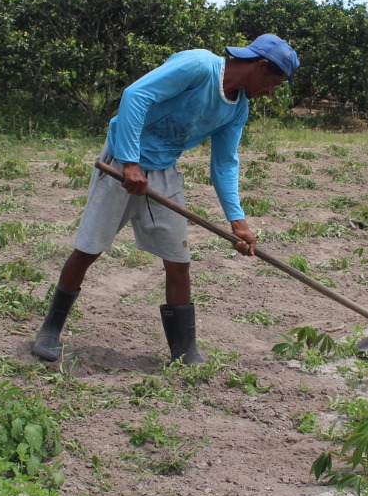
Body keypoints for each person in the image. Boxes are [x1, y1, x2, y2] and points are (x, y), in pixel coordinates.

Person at [32, 34, 301, 365]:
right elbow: (136, 95)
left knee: (178, 262)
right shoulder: (199, 66)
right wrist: (130, 162)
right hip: (120, 163)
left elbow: (225, 163)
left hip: (163, 173)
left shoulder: (236, 109)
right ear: (261, 67)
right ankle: (49, 331)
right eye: (273, 83)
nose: (270, 93)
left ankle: (185, 351)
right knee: (89, 249)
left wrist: (238, 221)